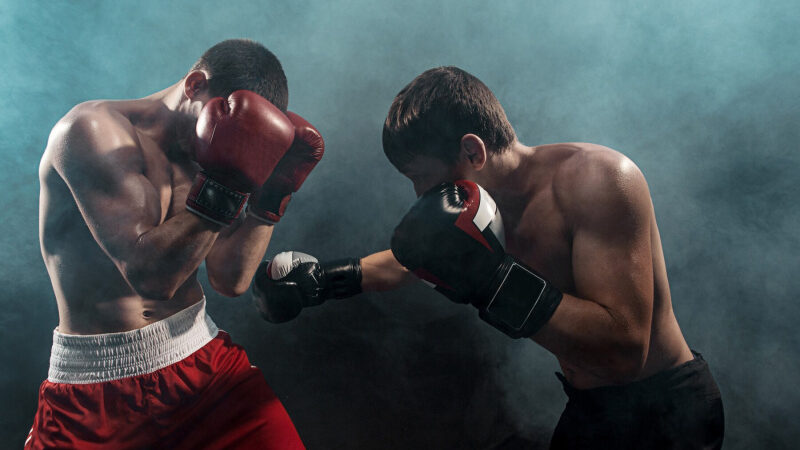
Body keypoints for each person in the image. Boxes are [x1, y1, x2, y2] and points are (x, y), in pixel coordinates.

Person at [253, 66, 724, 449]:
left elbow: (624, 351)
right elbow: (411, 260)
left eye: (422, 178)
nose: (420, 195)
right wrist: (325, 281)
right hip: (592, 410)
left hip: (667, 412)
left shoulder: (598, 180)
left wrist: (495, 281)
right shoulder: (479, 211)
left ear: (472, 149)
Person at [28, 39, 323, 449]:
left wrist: (269, 199)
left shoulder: (213, 159)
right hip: (96, 394)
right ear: (194, 84)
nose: (225, 138)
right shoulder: (91, 131)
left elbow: (229, 279)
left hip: (205, 369)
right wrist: (229, 187)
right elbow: (150, 277)